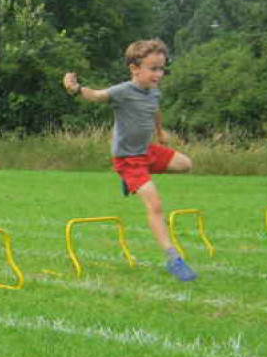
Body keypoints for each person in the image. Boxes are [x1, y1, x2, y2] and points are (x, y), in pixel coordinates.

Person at [63, 38, 197, 282]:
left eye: (161, 69)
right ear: (135, 68)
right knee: (155, 204)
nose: (159, 74)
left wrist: (160, 132)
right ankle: (173, 258)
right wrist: (75, 89)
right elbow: (96, 95)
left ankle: (135, 182)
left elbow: (154, 109)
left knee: (186, 164)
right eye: (153, 68)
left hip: (147, 151)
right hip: (128, 160)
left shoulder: (154, 92)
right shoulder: (122, 91)